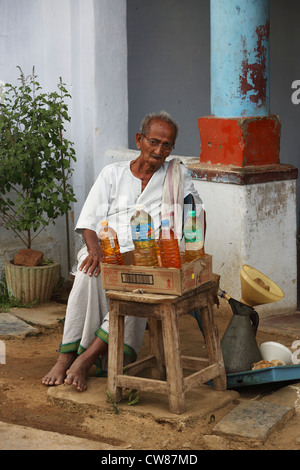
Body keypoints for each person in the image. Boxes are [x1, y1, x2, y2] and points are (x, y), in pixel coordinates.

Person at [42, 111, 202, 391]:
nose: (159, 150)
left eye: (167, 145)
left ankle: (87, 359)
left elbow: (194, 215)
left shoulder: (176, 175)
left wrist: (191, 235)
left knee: (137, 289)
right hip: (106, 249)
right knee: (86, 275)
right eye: (153, 141)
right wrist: (95, 251)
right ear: (139, 140)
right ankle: (65, 356)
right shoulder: (112, 174)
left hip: (148, 256)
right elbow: (90, 221)